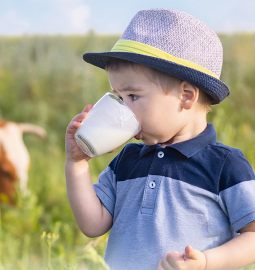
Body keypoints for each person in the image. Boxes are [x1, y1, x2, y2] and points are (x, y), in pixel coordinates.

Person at [65, 8, 255, 270]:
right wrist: (77, 164)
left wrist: (207, 262)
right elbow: (92, 225)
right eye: (118, 98)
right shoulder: (127, 161)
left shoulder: (224, 165)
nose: (123, 109)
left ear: (186, 96)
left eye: (133, 97)